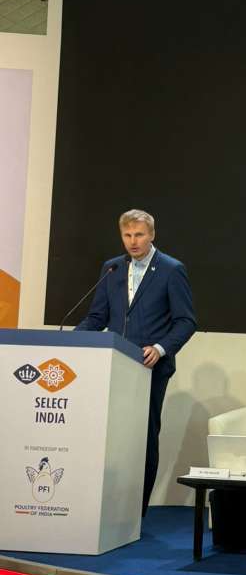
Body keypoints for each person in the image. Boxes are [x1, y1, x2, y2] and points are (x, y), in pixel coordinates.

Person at [76, 209, 195, 516]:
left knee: (142, 438)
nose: (133, 241)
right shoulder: (112, 268)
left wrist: (160, 348)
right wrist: (71, 341)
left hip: (149, 368)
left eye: (139, 234)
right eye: (127, 235)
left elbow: (185, 321)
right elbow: (97, 317)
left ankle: (134, 514)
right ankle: (108, 506)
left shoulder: (171, 269)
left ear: (151, 235)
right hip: (113, 367)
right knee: (111, 437)